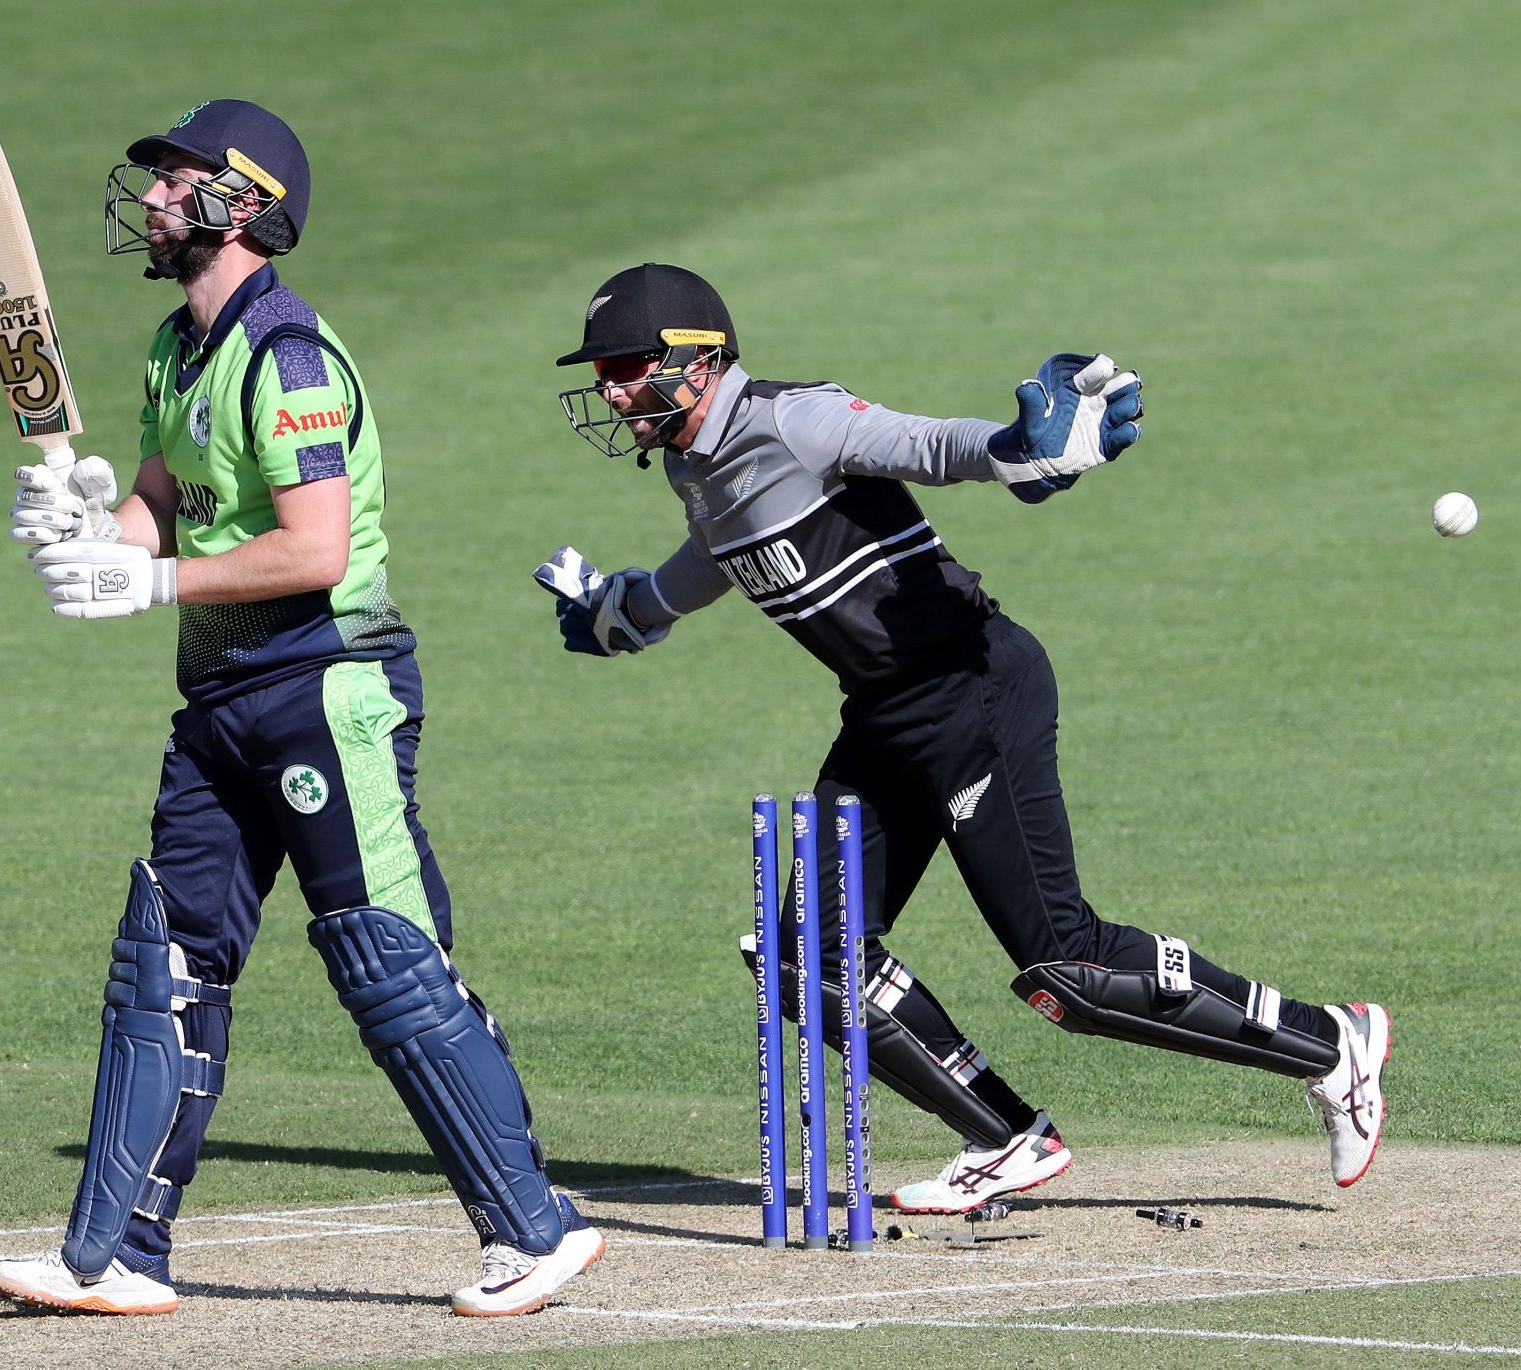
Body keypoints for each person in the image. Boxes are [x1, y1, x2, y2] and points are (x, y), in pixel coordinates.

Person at [537, 262, 1391, 1215]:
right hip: (886, 718)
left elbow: (927, 444)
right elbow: (718, 554)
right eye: (603, 370)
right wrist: (630, 609)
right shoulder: (696, 464)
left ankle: (1334, 1045)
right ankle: (1008, 1139)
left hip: (977, 692)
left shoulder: (792, 418)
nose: (611, 390)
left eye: (626, 366)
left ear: (699, 360)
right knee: (805, 960)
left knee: (1067, 970)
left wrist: (1020, 448)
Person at [0, 100, 603, 1317]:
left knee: (382, 954)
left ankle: (534, 1228)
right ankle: (115, 1252)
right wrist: (86, 533)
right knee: (163, 960)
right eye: (155, 178)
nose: (152, 196)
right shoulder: (179, 348)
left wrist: (144, 578)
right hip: (217, 698)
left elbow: (313, 548)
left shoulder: (291, 355)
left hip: (327, 687)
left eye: (176, 178)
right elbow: (160, 509)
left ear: (243, 202)